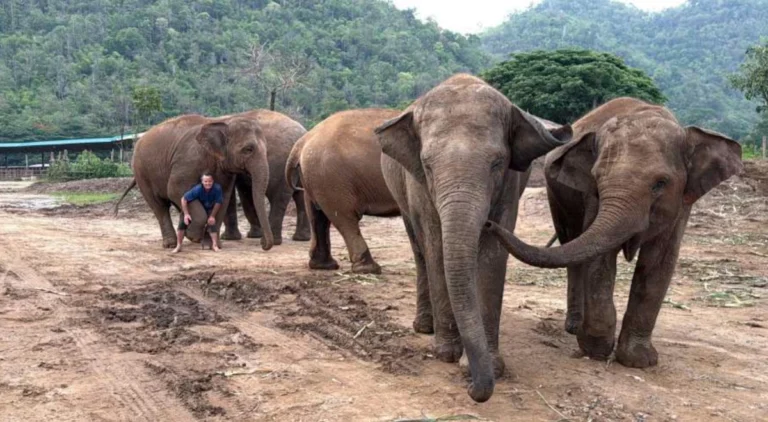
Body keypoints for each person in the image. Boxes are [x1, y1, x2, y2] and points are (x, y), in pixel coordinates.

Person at [171, 172, 224, 253]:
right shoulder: (198, 189)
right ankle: (179, 245)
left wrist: (212, 216)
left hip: (209, 207)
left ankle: (214, 245)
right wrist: (186, 214)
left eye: (209, 181)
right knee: (183, 223)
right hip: (195, 207)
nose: (208, 183)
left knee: (212, 223)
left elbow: (218, 202)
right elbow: (184, 199)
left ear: (213, 181)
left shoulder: (217, 188)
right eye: (205, 181)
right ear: (202, 182)